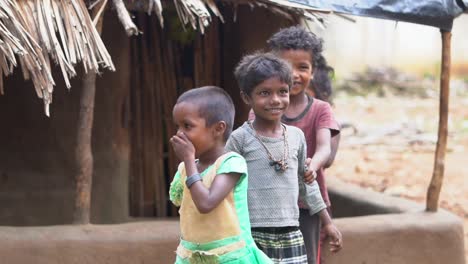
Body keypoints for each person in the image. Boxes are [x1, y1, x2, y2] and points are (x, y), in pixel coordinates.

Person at [226, 52, 333, 264]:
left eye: (282, 92)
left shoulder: (296, 137)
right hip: (252, 234)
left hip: (291, 234)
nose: (275, 100)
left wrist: (327, 222)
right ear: (247, 97)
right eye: (264, 93)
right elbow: (225, 186)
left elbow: (307, 184)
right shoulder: (239, 139)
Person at [168, 86, 272, 264]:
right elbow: (179, 201)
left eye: (187, 126)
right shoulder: (186, 167)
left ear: (218, 128)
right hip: (191, 256)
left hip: (229, 256)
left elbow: (206, 203)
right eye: (177, 126)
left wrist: (188, 160)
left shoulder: (231, 163)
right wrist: (188, 163)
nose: (179, 133)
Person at [267, 26, 343, 263]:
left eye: (303, 67)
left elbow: (325, 148)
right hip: (272, 202)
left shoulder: (321, 109)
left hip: (308, 204)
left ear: (313, 70)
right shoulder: (265, 107)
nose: (295, 74)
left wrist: (312, 164)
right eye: (287, 67)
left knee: (308, 257)